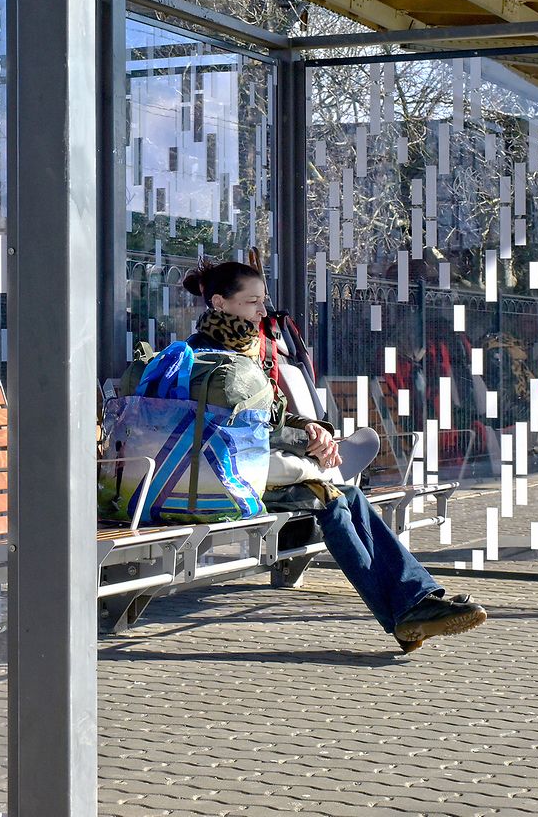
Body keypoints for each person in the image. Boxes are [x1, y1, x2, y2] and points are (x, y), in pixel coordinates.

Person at [180, 259, 488, 653]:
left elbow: (268, 416)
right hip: (223, 479)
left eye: (263, 301)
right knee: (336, 501)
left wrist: (310, 427)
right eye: (252, 302)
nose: (261, 311)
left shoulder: (244, 351)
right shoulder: (207, 358)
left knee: (347, 497)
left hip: (250, 470)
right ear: (220, 303)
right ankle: (408, 610)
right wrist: (303, 440)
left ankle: (414, 605)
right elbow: (243, 430)